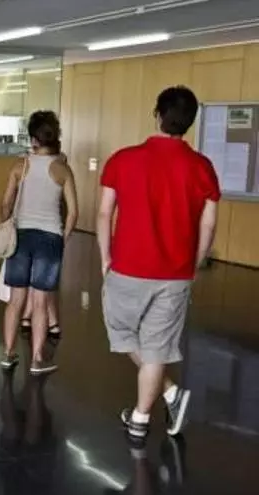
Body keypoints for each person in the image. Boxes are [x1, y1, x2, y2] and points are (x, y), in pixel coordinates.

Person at [98, 86, 219, 441]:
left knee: (123, 335)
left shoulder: (122, 159)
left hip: (127, 267)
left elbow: (105, 213)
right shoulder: (202, 167)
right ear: (190, 121)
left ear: (157, 114)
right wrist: (194, 263)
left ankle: (146, 412)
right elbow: (208, 224)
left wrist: (105, 256)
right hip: (176, 273)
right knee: (156, 348)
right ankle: (158, 402)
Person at [0, 110, 77, 375]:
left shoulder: (20, 166)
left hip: (21, 236)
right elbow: (73, 212)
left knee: (15, 300)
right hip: (50, 238)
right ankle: (36, 360)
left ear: (33, 138)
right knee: (41, 302)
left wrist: (6, 224)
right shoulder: (63, 169)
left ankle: (8, 353)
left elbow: (6, 203)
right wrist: (63, 237)